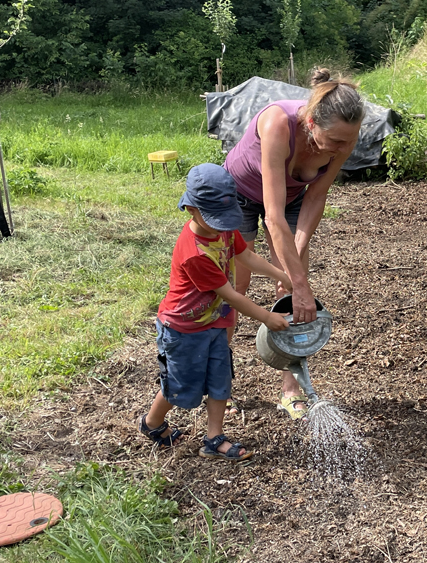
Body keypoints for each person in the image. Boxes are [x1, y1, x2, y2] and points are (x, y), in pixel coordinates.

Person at [223, 68, 364, 419]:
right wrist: (300, 283)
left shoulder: (344, 138)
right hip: (239, 195)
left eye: (349, 141)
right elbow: (271, 217)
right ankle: (219, 383)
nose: (343, 149)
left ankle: (290, 388)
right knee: (234, 287)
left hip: (294, 197)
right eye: (335, 142)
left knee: (285, 291)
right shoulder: (277, 124)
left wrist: (294, 268)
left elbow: (316, 196)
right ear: (312, 122)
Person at [139, 163, 291, 461]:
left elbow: (245, 254)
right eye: (216, 219)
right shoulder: (195, 253)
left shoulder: (222, 229)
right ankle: (152, 423)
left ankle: (214, 438)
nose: (223, 226)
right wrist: (267, 317)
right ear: (190, 209)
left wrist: (280, 274)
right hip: (182, 329)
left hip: (214, 322)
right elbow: (231, 295)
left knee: (221, 379)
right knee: (181, 387)